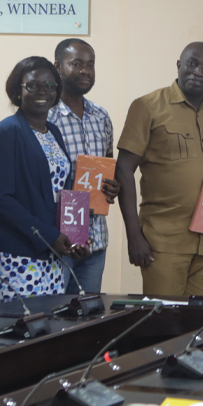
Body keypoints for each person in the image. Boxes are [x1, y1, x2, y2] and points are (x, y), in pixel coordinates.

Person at [116, 42, 203, 296]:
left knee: (197, 324)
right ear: (179, 65)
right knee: (163, 322)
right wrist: (133, 236)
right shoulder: (147, 106)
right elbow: (124, 170)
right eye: (192, 63)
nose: (198, 71)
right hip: (162, 241)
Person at [0, 57, 88, 302]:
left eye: (49, 86)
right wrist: (48, 235)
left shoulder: (53, 132)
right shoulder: (6, 131)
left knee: (49, 330)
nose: (42, 92)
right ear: (18, 91)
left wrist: (76, 236)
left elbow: (61, 192)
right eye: (33, 86)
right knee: (20, 332)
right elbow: (0, 199)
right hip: (18, 255)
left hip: (52, 255)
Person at [49, 39, 120, 294]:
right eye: (76, 64)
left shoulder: (101, 117)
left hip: (96, 239)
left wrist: (113, 187)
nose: (85, 71)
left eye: (90, 65)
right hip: (59, 241)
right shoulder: (46, 117)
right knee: (54, 320)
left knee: (87, 319)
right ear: (58, 67)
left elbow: (109, 165)